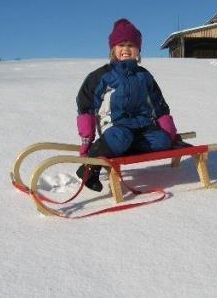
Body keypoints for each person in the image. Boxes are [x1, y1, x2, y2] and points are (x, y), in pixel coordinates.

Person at [75, 18, 178, 191]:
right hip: (115, 126)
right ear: (113, 49)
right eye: (121, 45)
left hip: (142, 126)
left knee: (162, 141)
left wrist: (169, 133)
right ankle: (89, 167)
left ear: (138, 50)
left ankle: (124, 146)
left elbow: (158, 103)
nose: (126, 49)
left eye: (131, 45)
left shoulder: (144, 76)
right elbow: (85, 105)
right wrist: (87, 140)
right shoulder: (102, 76)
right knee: (120, 138)